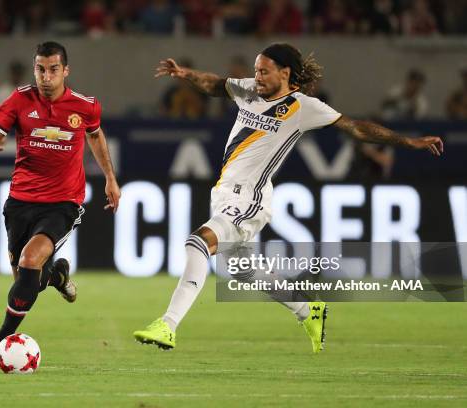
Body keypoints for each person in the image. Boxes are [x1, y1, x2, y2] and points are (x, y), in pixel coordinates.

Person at [134, 43, 443, 353]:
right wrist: (186, 74)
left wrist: (408, 142)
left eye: (264, 71)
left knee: (198, 242)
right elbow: (216, 85)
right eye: (256, 70)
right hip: (225, 193)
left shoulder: (302, 107)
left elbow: (357, 128)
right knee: (242, 269)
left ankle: (168, 324)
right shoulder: (249, 90)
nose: (257, 77)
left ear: (285, 73)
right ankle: (308, 311)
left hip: (249, 198)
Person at [0, 41, 120, 363]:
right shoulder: (19, 99)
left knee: (29, 261)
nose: (46, 76)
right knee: (30, 281)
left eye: (53, 69)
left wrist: (110, 178)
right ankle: (57, 276)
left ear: (65, 71)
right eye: (40, 69)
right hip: (20, 202)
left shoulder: (85, 106)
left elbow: (95, 136)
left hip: (62, 203)